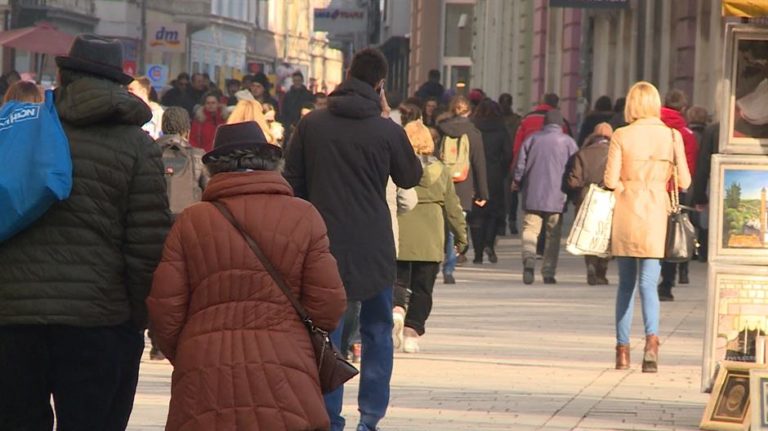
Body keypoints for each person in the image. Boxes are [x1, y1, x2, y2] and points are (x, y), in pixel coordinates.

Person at [0, 35, 171, 430]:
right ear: (121, 84)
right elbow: (147, 245)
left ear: (62, 75)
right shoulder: (137, 146)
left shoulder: (20, 129)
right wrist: (137, 317)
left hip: (12, 317)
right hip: (98, 322)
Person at [147, 121, 346, 431]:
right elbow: (329, 303)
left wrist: (188, 352)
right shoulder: (303, 215)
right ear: (271, 164)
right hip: (287, 364)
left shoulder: (192, 221)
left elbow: (165, 308)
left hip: (205, 365)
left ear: (215, 169)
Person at [284, 47, 422, 431]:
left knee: (327, 331)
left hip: (322, 243)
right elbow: (411, 176)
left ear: (346, 75)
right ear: (380, 85)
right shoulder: (387, 130)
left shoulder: (312, 125)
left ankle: (329, 416)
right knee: (378, 330)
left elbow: (292, 180)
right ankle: (371, 417)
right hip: (374, 245)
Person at [604, 81, 691, 373]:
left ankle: (622, 351)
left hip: (627, 209)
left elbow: (609, 180)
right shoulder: (671, 135)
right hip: (656, 211)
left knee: (626, 283)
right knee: (648, 283)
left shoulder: (621, 135)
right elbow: (685, 182)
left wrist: (626, 186)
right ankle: (652, 343)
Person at [394, 102, 466, 353]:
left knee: (397, 280)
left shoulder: (395, 167)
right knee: (424, 287)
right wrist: (461, 237)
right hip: (430, 234)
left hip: (400, 230)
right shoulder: (441, 170)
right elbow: (453, 207)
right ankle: (412, 332)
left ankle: (396, 309)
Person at [513, 110, 578, 285]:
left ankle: (529, 258)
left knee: (530, 229)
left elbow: (520, 164)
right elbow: (576, 168)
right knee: (553, 235)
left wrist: (517, 182)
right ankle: (548, 272)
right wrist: (573, 191)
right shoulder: (569, 143)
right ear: (561, 125)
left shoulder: (532, 139)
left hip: (533, 193)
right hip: (557, 195)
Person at [437, 95, 488, 282]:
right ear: (469, 111)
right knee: (455, 227)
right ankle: (449, 269)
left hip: (442, 183)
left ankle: (434, 260)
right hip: (464, 186)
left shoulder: (441, 129)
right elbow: (479, 164)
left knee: (439, 226)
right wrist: (483, 192)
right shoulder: (473, 133)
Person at [658, 89, 699, 301]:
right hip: (675, 192)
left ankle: (648, 276)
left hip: (652, 189)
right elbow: (689, 168)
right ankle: (666, 284)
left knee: (653, 236)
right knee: (673, 237)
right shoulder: (687, 135)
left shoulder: (654, 129)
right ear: (683, 108)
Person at [566, 122, 613, 285]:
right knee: (605, 234)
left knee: (588, 232)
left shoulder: (583, 153)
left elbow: (573, 181)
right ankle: (602, 271)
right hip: (609, 197)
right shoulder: (614, 153)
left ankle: (590, 266)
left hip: (586, 197)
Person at [472, 98, 511, 263]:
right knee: (493, 213)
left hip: (474, 175)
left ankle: (478, 254)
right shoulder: (501, 129)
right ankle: (489, 244)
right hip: (494, 175)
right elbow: (508, 154)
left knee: (476, 215)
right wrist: (502, 169)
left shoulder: (472, 128)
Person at [499, 93, 522, 235]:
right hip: (509, 159)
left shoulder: (515, 120)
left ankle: (509, 220)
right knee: (509, 193)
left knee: (509, 193)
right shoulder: (517, 120)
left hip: (508, 159)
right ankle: (508, 220)